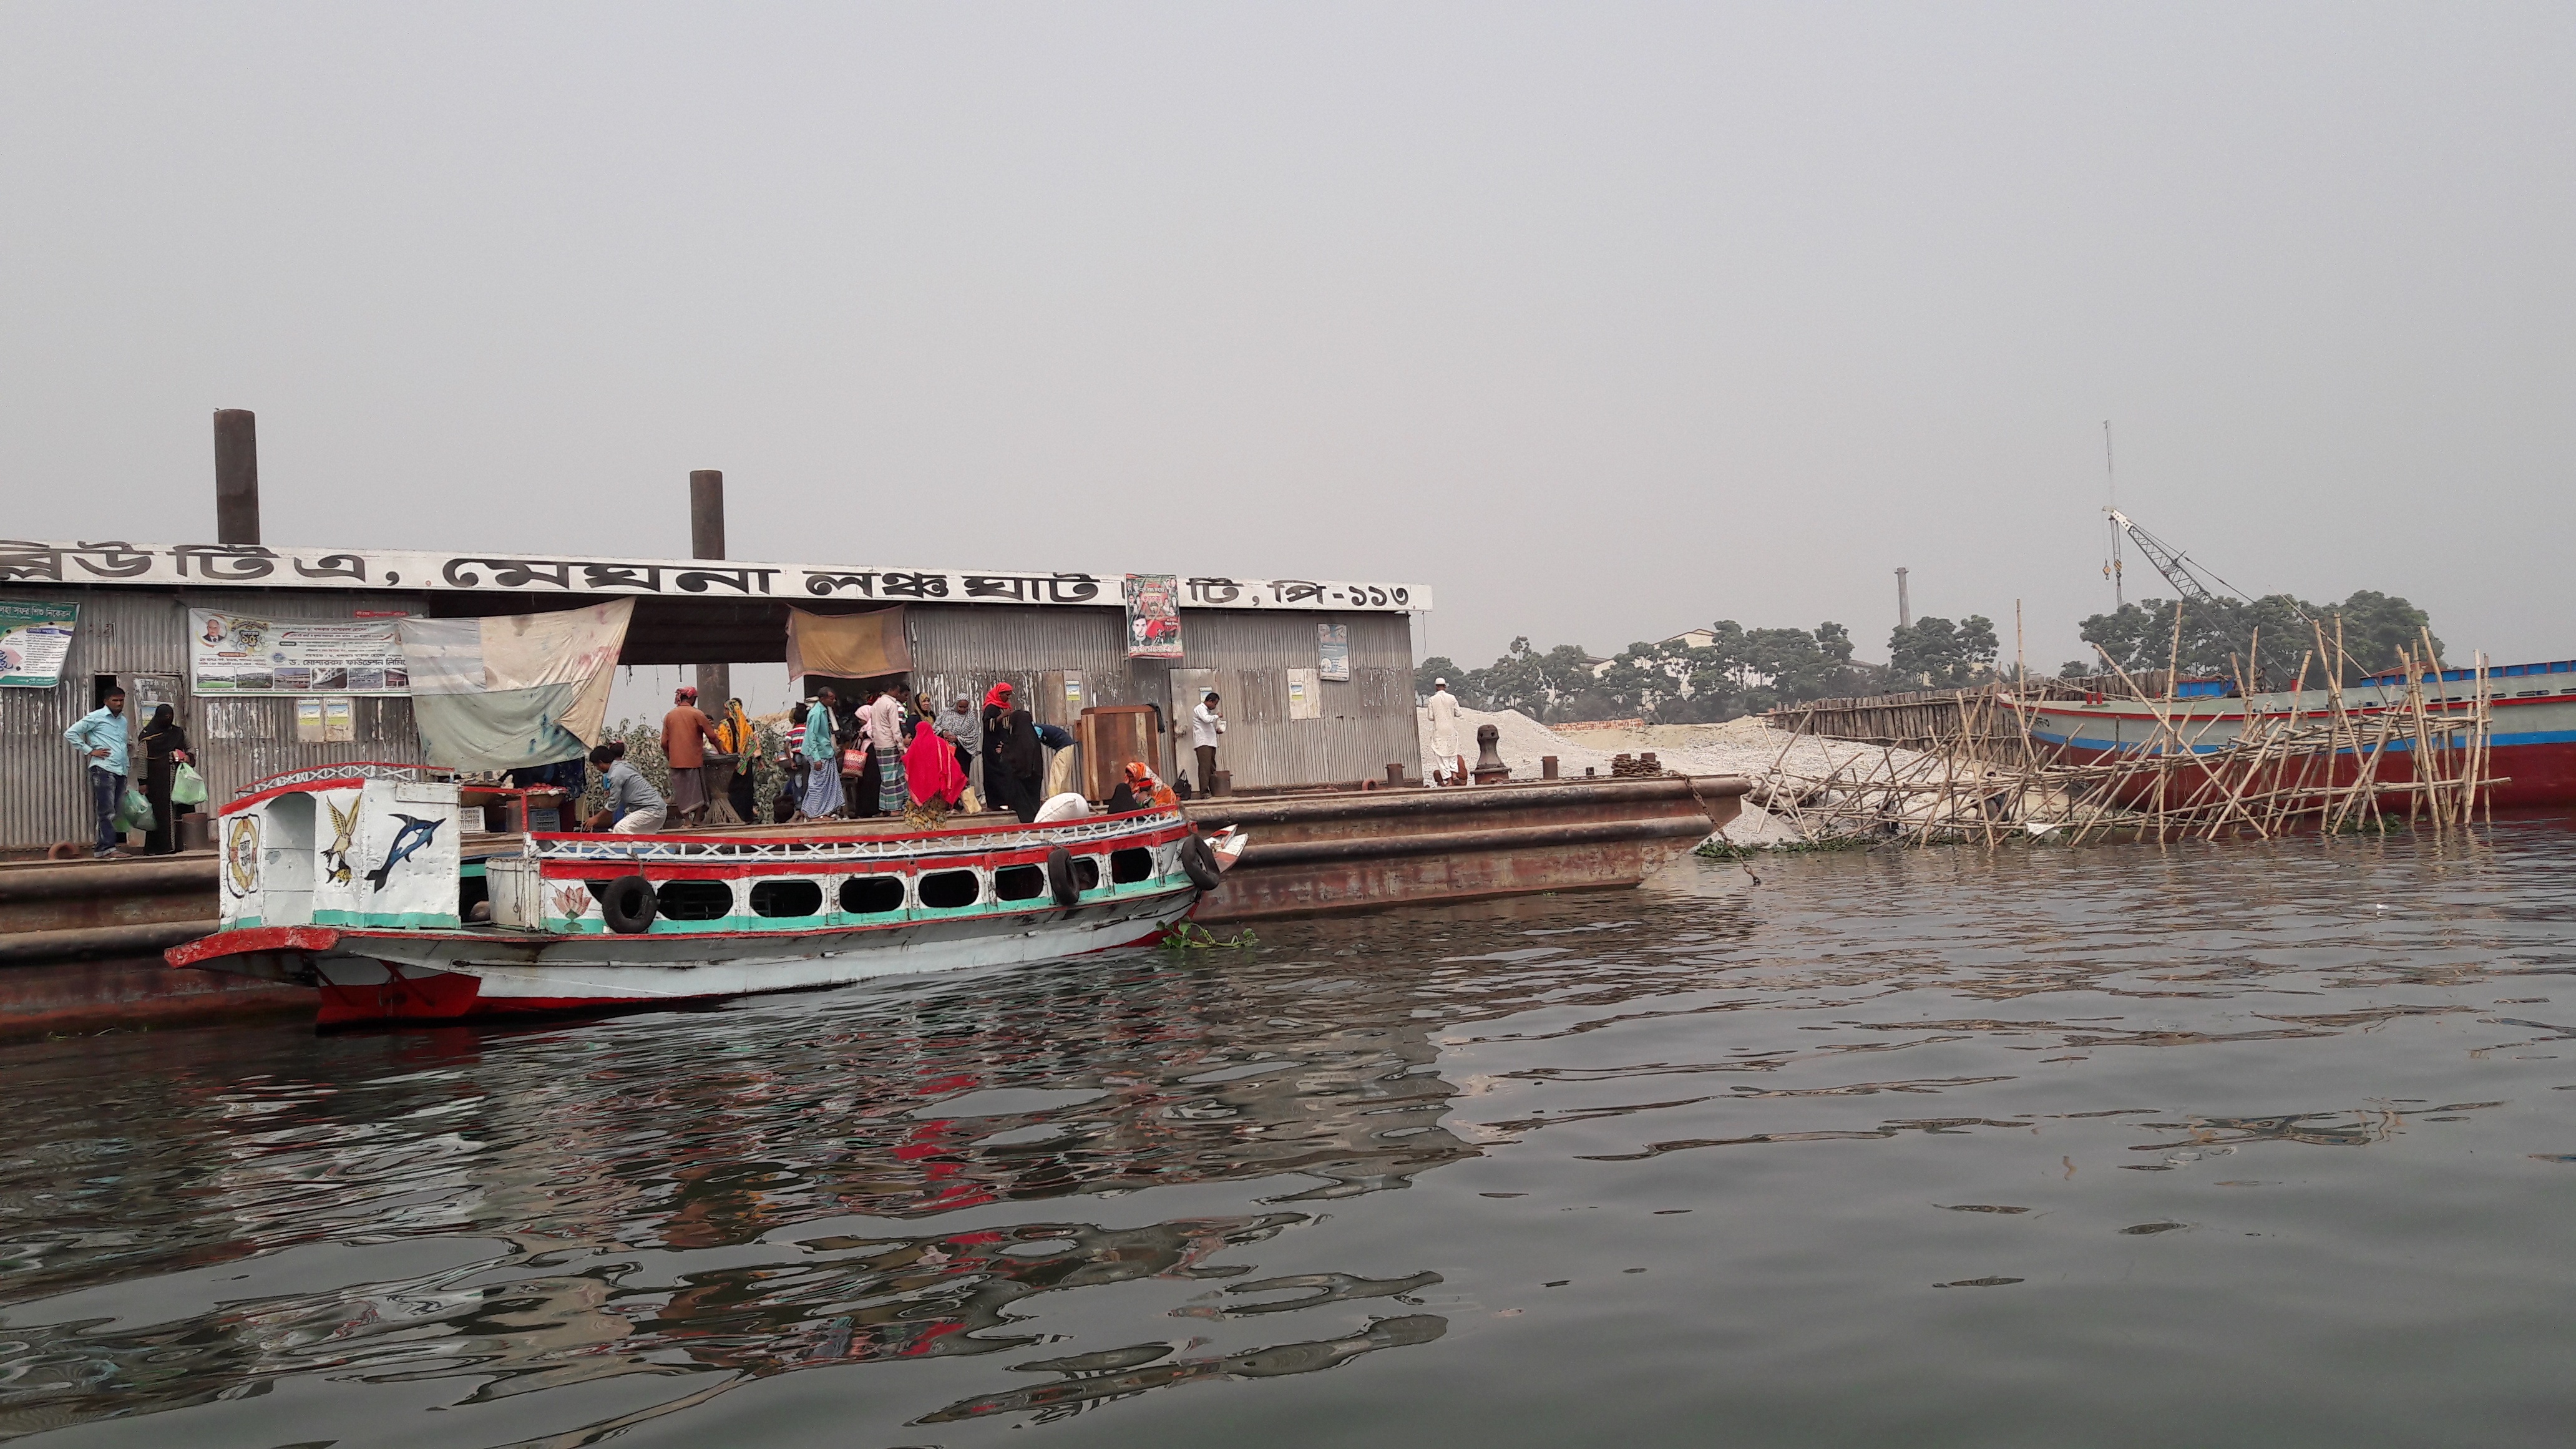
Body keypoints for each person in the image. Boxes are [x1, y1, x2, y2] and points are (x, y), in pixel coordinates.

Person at [64, 687, 131, 859]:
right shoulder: (96, 717)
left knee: (115, 810)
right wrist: (90, 750)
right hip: (103, 769)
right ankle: (106, 849)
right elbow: (71, 733)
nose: (119, 704)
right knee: (107, 811)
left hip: (120, 769)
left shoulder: (123, 720)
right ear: (106, 701)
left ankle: (105, 848)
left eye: (121, 700)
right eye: (115, 700)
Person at [661, 686, 721, 826]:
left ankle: (687, 820)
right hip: (694, 760)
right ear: (692, 698)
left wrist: (670, 758)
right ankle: (697, 819)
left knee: (682, 792)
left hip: (676, 762)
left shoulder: (669, 716)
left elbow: (664, 743)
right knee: (698, 791)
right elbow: (712, 736)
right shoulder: (697, 714)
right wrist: (722, 752)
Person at [137, 703, 192, 856]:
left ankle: (181, 846)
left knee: (181, 811)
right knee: (160, 814)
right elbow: (142, 760)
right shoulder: (148, 735)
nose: (167, 720)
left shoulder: (178, 733)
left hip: (180, 780)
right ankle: (161, 848)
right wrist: (143, 782)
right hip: (158, 782)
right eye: (164, 717)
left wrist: (188, 757)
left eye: (170, 717)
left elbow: (190, 748)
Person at [583, 743, 666, 834]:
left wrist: (596, 818)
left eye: (596, 766)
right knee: (639, 839)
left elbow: (613, 804)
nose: (597, 769)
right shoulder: (624, 765)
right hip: (657, 810)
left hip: (652, 810)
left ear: (600, 763)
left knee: (620, 828)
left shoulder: (616, 775)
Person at [988, 703, 1046, 823]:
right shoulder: (1031, 736)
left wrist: (1005, 751)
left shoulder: (1021, 737)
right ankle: (1034, 820)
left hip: (1024, 777)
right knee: (1032, 803)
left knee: (1025, 804)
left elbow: (1019, 757)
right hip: (1034, 776)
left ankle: (1028, 822)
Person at [799, 688, 846, 819]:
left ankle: (813, 811)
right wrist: (816, 759)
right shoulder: (816, 713)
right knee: (818, 785)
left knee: (827, 784)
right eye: (831, 698)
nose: (834, 701)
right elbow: (812, 737)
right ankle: (816, 813)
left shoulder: (824, 711)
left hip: (825, 752)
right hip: (819, 754)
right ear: (822, 698)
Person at [712, 696, 758, 824]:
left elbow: (723, 743)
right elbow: (753, 744)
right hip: (746, 762)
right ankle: (746, 817)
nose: (725, 712)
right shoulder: (747, 725)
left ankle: (734, 818)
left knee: (733, 790)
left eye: (726, 710)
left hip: (731, 763)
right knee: (747, 790)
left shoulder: (725, 725)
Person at [904, 718, 967, 809]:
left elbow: (908, 760)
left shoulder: (915, 744)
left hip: (921, 783)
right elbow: (950, 761)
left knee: (922, 814)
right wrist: (962, 777)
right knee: (937, 811)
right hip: (938, 783)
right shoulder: (940, 742)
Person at [866, 685, 908, 816]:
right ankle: (895, 808)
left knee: (886, 777)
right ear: (892, 690)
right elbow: (895, 728)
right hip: (890, 744)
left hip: (879, 744)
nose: (899, 693)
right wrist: (901, 746)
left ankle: (885, 807)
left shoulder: (876, 704)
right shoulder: (892, 705)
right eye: (897, 691)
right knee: (894, 776)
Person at [937, 695, 983, 799]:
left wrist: (958, 739)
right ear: (956, 704)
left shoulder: (970, 716)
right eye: (960, 707)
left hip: (963, 751)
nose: (963, 710)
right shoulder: (946, 713)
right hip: (947, 750)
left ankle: (961, 801)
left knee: (961, 776)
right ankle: (949, 801)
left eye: (965, 707)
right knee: (948, 776)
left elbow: (974, 734)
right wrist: (944, 732)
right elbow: (936, 726)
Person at [1427, 676, 1463, 784]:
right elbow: (1459, 713)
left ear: (1436, 687)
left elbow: (1430, 717)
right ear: (1445, 686)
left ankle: (1448, 780)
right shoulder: (1452, 698)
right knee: (1452, 753)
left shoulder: (1432, 700)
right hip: (1451, 729)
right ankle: (1454, 774)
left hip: (1439, 730)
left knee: (1441, 756)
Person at [1105, 759, 1176, 814]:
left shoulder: (1151, 784)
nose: (1130, 779)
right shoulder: (1133, 786)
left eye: (1132, 776)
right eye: (1129, 776)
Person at [1192, 690, 1226, 793]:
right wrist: (1217, 716)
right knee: (1204, 767)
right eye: (1215, 704)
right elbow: (1206, 720)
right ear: (1210, 701)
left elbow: (1207, 724)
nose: (1215, 706)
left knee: (1211, 767)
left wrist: (1216, 731)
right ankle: (1204, 791)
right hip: (1203, 743)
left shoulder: (1207, 712)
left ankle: (1214, 789)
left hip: (1210, 743)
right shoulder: (1200, 709)